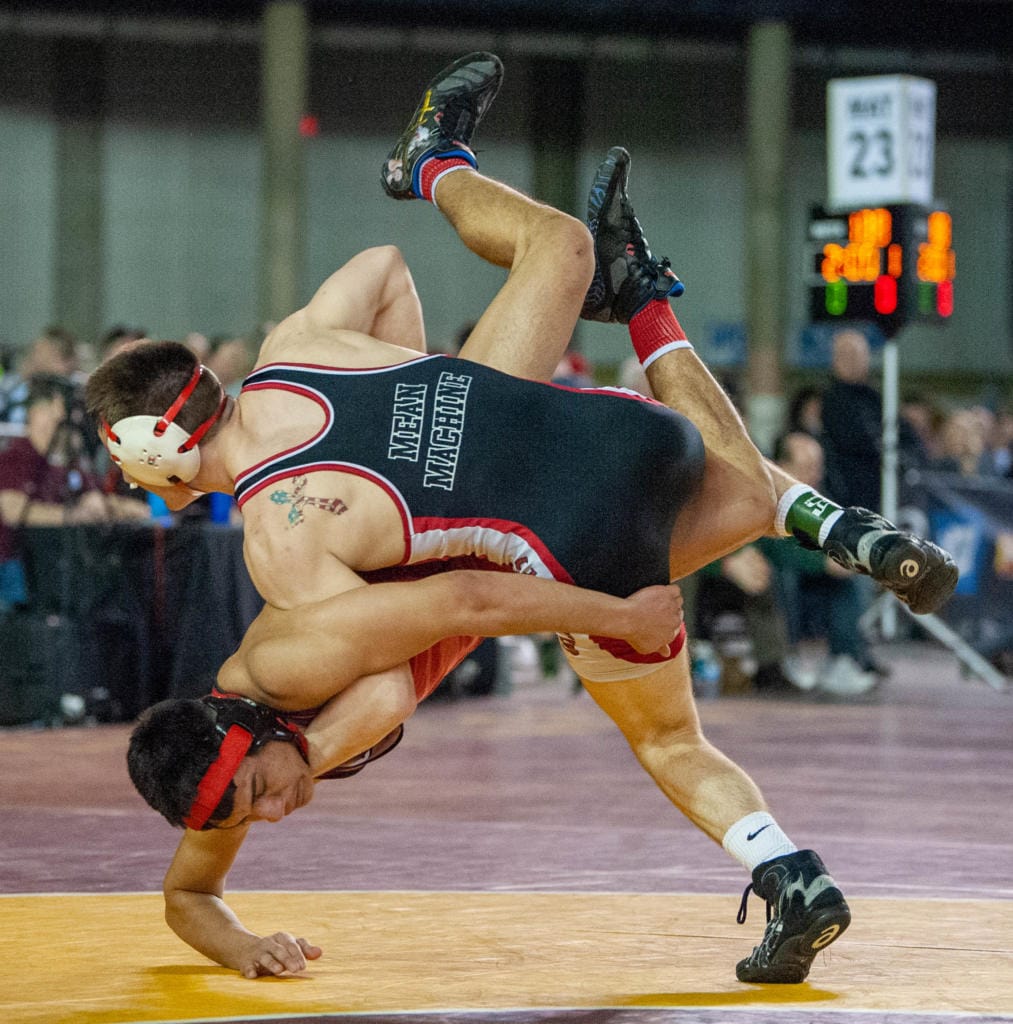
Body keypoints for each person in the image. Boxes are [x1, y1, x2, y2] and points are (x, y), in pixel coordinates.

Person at [91, 54, 957, 985]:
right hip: (529, 426)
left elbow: (453, 609)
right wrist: (419, 394)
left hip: (548, 551)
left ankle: (794, 838)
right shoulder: (290, 351)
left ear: (150, 454)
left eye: (259, 792)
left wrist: (612, 614)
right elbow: (383, 267)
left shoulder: (283, 576)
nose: (272, 813)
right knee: (567, 256)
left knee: (671, 726)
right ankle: (443, 169)